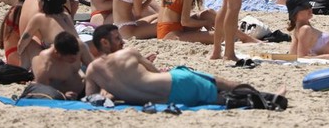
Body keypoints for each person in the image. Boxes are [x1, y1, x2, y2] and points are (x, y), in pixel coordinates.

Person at [84, 43, 284, 107]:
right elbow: (155, 72)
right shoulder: (128, 53)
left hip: (167, 100)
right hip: (176, 81)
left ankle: (256, 101)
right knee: (225, 83)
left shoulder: (93, 71)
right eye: (116, 38)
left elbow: (93, 100)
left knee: (220, 100)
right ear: (105, 42)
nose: (121, 42)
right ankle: (269, 96)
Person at [18, 0, 93, 69]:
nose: (38, 1)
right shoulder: (66, 15)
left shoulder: (39, 18)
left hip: (58, 58)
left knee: (28, 43)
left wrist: (19, 53)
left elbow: (23, 41)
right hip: (77, 52)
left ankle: (23, 69)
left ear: (43, 3)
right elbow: (75, 36)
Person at [30, 31, 85, 99]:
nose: (75, 58)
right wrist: (63, 95)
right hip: (63, 97)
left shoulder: (80, 46)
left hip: (84, 89)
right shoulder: (45, 67)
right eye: (71, 57)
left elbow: (94, 65)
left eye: (76, 54)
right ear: (58, 53)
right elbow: (43, 92)